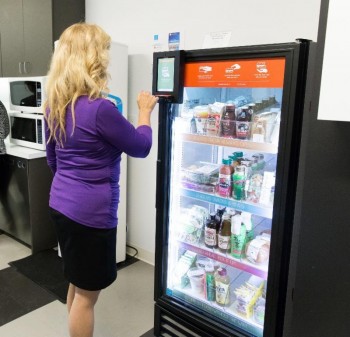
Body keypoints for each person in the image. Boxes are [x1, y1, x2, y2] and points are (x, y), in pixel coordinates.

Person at [44, 23, 158, 337]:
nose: (106, 58)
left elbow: (52, 159)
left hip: (61, 205)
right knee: (87, 295)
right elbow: (141, 146)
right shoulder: (99, 109)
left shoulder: (55, 105)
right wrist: (145, 111)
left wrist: (72, 186)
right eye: (103, 52)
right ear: (93, 58)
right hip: (91, 215)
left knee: (77, 281)